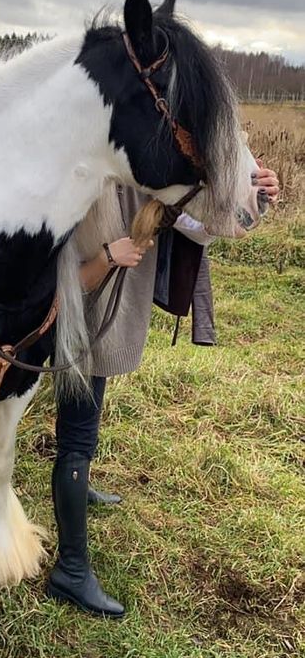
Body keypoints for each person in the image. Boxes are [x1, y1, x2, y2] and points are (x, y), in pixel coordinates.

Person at [46, 165, 280, 618]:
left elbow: (209, 223)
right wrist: (108, 258)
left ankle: (80, 488)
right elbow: (54, 284)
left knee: (86, 425)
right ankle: (71, 570)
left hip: (110, 322)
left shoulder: (150, 179)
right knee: (75, 439)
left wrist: (257, 199)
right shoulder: (79, 178)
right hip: (79, 326)